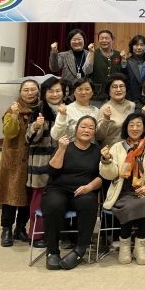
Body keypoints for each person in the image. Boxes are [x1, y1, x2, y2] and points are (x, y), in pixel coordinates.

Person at [100, 112, 145, 265]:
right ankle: (124, 244)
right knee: (129, 205)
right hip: (122, 192)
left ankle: (140, 246)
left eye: (138, 125)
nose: (135, 128)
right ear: (126, 127)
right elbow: (109, 175)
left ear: (144, 127)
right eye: (131, 125)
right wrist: (107, 159)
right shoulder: (117, 147)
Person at [41, 116, 102, 270]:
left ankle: (80, 249)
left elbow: (102, 177)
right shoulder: (65, 146)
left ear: (94, 132)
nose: (86, 130)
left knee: (89, 202)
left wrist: (89, 187)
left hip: (83, 190)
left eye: (91, 128)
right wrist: (61, 149)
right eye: (83, 126)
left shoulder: (97, 151)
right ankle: (52, 251)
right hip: (58, 188)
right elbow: (52, 171)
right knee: (54, 204)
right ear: (76, 129)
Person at [0, 79, 42, 247]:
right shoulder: (13, 108)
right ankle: (6, 228)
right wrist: (15, 115)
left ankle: (21, 227)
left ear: (38, 91)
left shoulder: (41, 108)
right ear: (20, 92)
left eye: (33, 89)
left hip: (33, 158)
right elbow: (9, 133)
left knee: (27, 194)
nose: (29, 93)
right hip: (14, 159)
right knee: (10, 194)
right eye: (26, 90)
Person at [26, 76, 64, 247]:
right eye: (51, 91)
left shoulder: (67, 108)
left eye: (58, 91)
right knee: (39, 198)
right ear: (44, 93)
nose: (55, 94)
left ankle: (56, 233)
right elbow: (29, 139)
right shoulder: (38, 110)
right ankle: (36, 234)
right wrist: (36, 126)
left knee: (59, 198)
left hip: (62, 161)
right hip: (41, 162)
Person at [96, 73, 136, 148]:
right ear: (109, 91)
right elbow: (98, 136)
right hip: (111, 150)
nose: (118, 89)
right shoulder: (104, 108)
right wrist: (106, 119)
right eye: (114, 87)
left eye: (121, 86)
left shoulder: (132, 106)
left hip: (132, 150)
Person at [90, 29, 122, 105]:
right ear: (98, 40)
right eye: (101, 38)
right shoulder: (93, 54)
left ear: (112, 40)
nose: (104, 40)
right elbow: (87, 70)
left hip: (115, 94)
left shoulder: (119, 55)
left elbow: (122, 72)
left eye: (107, 38)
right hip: (97, 95)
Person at [121, 34, 145, 102]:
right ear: (132, 46)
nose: (139, 47)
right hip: (131, 100)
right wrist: (123, 62)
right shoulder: (126, 62)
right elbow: (122, 77)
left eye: (142, 45)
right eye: (136, 45)